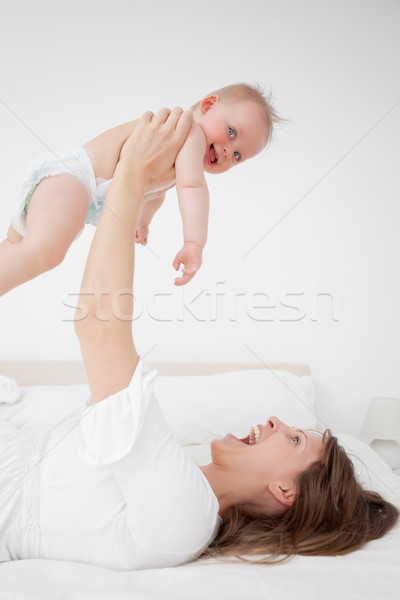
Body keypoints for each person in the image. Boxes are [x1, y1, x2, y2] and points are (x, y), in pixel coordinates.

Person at [0, 109, 397, 571]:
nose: (274, 420)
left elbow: (99, 327)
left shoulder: (186, 518)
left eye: (292, 440)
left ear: (286, 492)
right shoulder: (183, 477)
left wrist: (132, 171)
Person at [0, 83, 277, 297]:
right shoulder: (190, 133)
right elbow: (192, 187)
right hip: (74, 179)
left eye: (239, 156)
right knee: (44, 252)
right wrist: (194, 242)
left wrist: (142, 221)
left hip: (67, 184)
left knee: (15, 247)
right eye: (231, 132)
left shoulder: (173, 151)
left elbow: (154, 193)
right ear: (208, 105)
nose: (229, 151)